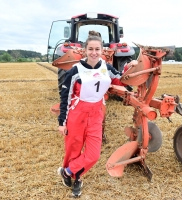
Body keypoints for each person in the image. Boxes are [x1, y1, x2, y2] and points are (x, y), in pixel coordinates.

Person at [57, 30, 137, 197]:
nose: (94, 53)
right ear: (85, 50)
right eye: (91, 49)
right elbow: (65, 97)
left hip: (95, 115)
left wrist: (132, 67)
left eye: (97, 49)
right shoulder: (75, 71)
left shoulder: (106, 68)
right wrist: (61, 122)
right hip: (76, 115)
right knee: (73, 150)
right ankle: (77, 179)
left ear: (102, 50)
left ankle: (67, 171)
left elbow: (122, 80)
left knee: (93, 155)